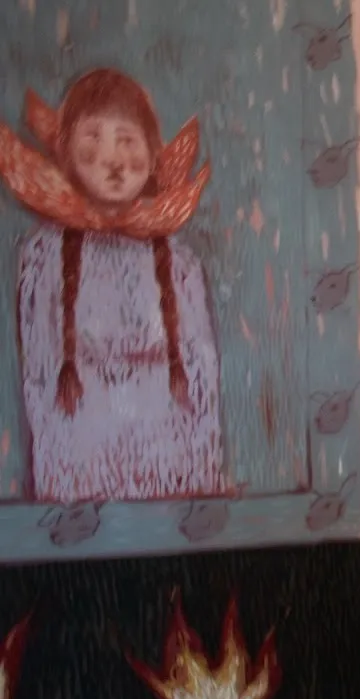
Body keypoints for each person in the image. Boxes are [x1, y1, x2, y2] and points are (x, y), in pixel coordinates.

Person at [0, 68, 225, 502]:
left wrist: (200, 479)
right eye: (93, 141)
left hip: (170, 460)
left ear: (153, 154)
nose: (113, 160)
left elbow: (203, 377)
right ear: (67, 153)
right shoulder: (44, 257)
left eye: (127, 140)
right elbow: (41, 376)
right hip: (81, 461)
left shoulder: (181, 263)